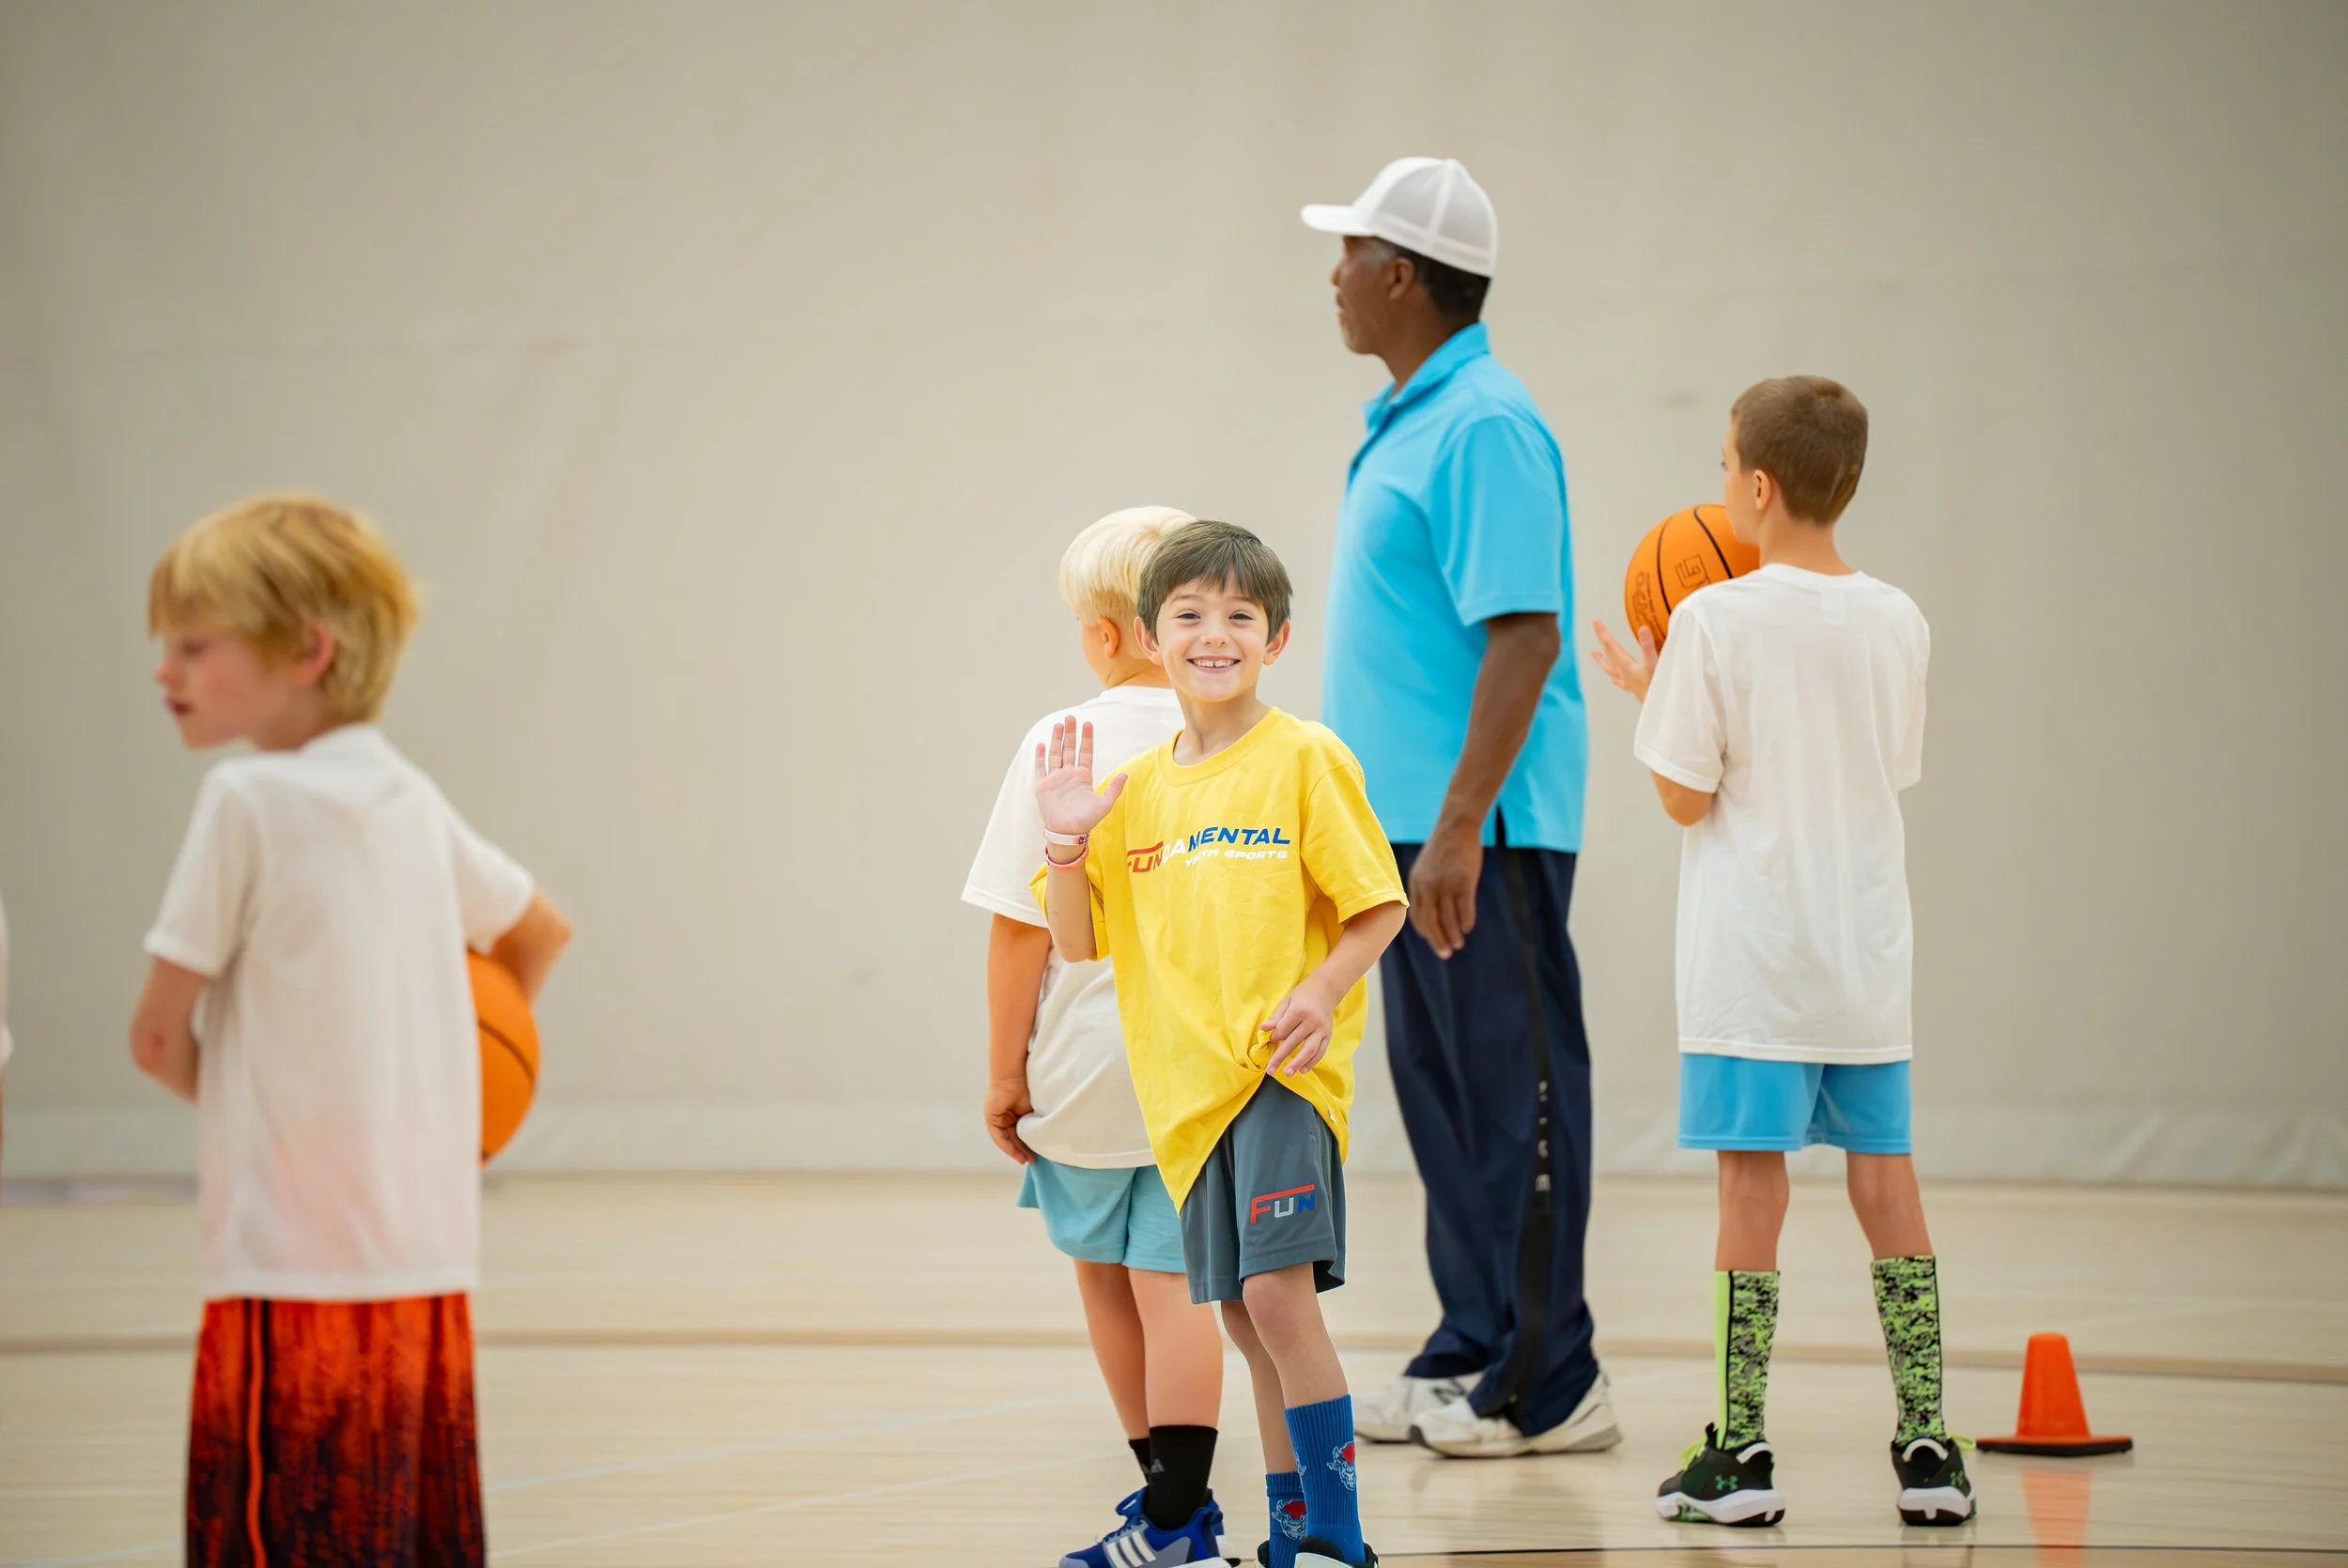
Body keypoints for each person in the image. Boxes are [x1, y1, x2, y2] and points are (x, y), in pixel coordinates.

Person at [131, 495, 574, 1565]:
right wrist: (445, 1088)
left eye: (194, 643)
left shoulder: (244, 797)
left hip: (281, 1262)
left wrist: (262, 1112)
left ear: (305, 649)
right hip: (424, 1254)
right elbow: (540, 932)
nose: (165, 670)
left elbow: (153, 1037)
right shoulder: (411, 798)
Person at [1589, 377, 1975, 1527]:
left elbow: (1680, 794)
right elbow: (1884, 768)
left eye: (1720, 466)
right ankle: (1927, 1446)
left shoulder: (1710, 618)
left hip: (1751, 965)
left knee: (1749, 1194)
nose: (1718, 486)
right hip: (1863, 960)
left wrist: (1653, 693)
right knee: (1886, 1186)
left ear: (1754, 487)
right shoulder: (1899, 615)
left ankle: (1741, 1451)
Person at [1302, 157, 1614, 1457]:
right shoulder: (1409, 420)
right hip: (1407, 839)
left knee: (1516, 1086)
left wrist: (1457, 824)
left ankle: (1553, 1380)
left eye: (1351, 251)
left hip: (1480, 836)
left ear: (1403, 275)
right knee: (1441, 1092)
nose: (1333, 276)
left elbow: (1526, 635)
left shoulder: (1484, 421)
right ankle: (1472, 1344)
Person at [1032, 521, 1407, 1568]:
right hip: (1186, 1101)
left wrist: (1322, 989)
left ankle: (1337, 1534)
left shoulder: (1304, 756)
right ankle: (1290, 1529)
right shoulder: (1139, 789)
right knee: (1245, 1318)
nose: (1214, 633)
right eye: (1189, 614)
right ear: (1151, 635)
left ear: (1276, 637)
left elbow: (1378, 905)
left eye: (1240, 615)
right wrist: (1065, 840)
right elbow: (1076, 936)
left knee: (1280, 1302)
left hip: (1280, 1079)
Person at [961, 505, 1230, 1566]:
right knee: (1179, 1287)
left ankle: (1166, 1512)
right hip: (1206, 1068)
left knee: (1105, 1278)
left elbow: (1019, 929)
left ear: (1108, 634)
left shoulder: (1057, 743)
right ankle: (1179, 1510)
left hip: (1083, 1066)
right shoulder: (1244, 741)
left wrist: (1001, 1071)